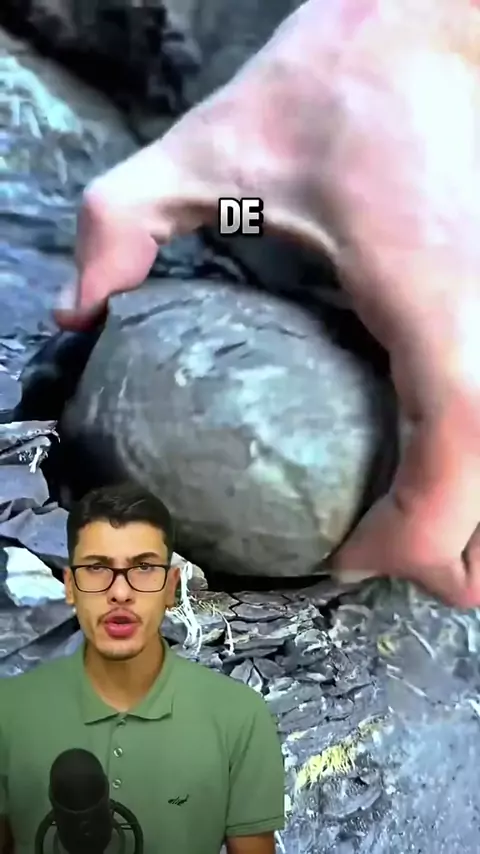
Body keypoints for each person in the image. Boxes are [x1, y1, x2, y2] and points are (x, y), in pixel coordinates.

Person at [54, 0, 480, 607]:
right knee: (257, 217)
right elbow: (248, 212)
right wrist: (410, 25)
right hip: (274, 229)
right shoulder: (252, 216)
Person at [0, 483, 285, 854]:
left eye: (144, 568)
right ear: (70, 585)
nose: (120, 592)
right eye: (97, 568)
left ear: (171, 587)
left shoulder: (239, 716)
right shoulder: (11, 713)